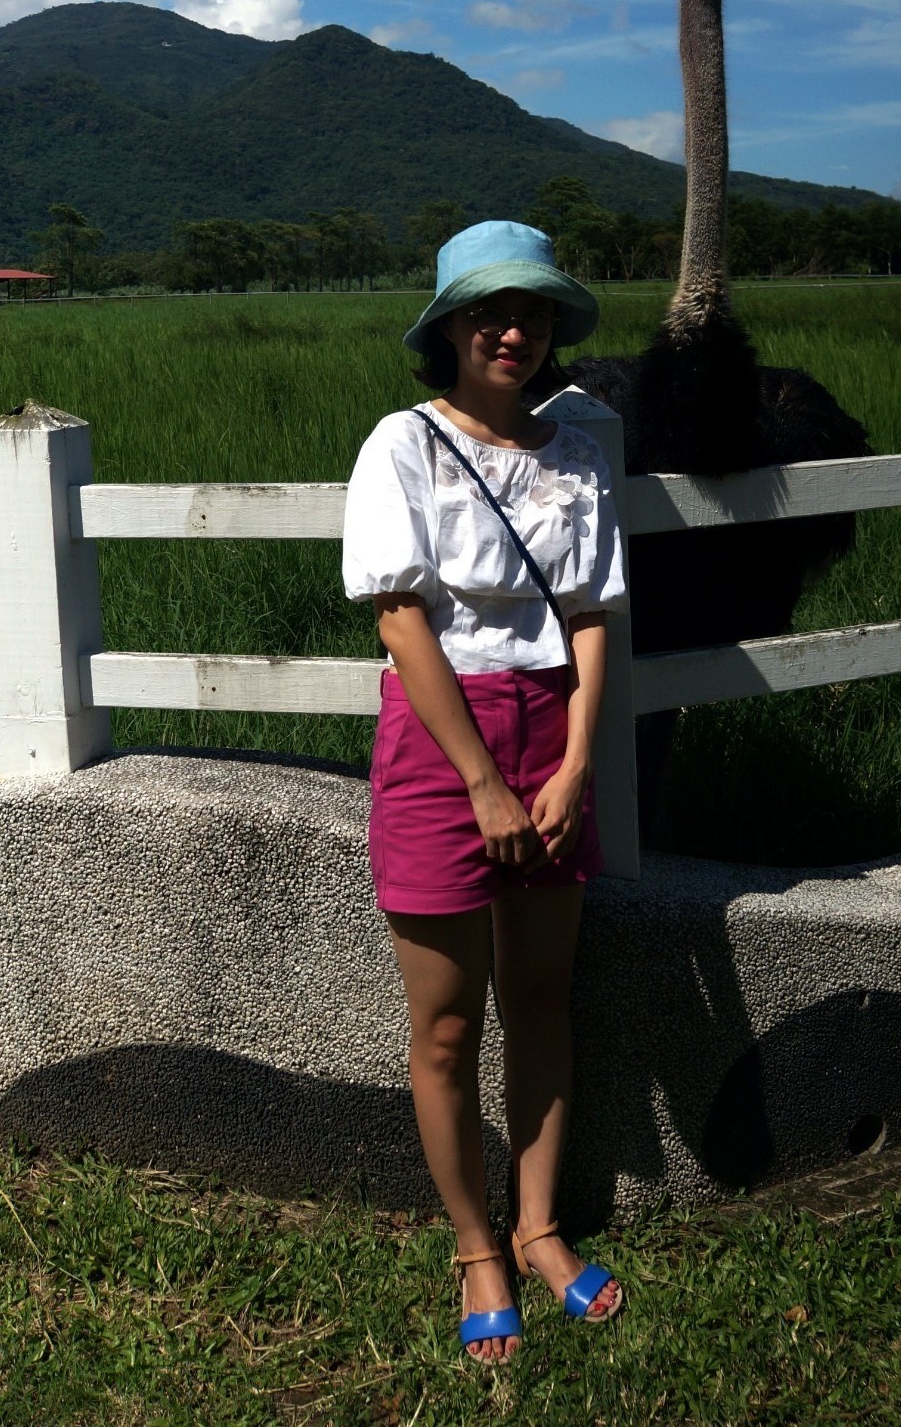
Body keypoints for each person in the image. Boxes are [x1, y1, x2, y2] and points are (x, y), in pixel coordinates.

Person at [342, 219, 627, 1363]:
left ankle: (540, 1223)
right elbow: (399, 615)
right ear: (450, 328)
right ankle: (475, 1244)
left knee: (543, 994)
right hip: (439, 738)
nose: (514, 331)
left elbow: (594, 612)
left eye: (534, 313)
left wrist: (575, 762)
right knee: (448, 1022)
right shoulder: (401, 444)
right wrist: (481, 780)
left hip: (553, 728)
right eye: (490, 313)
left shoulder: (577, 454)